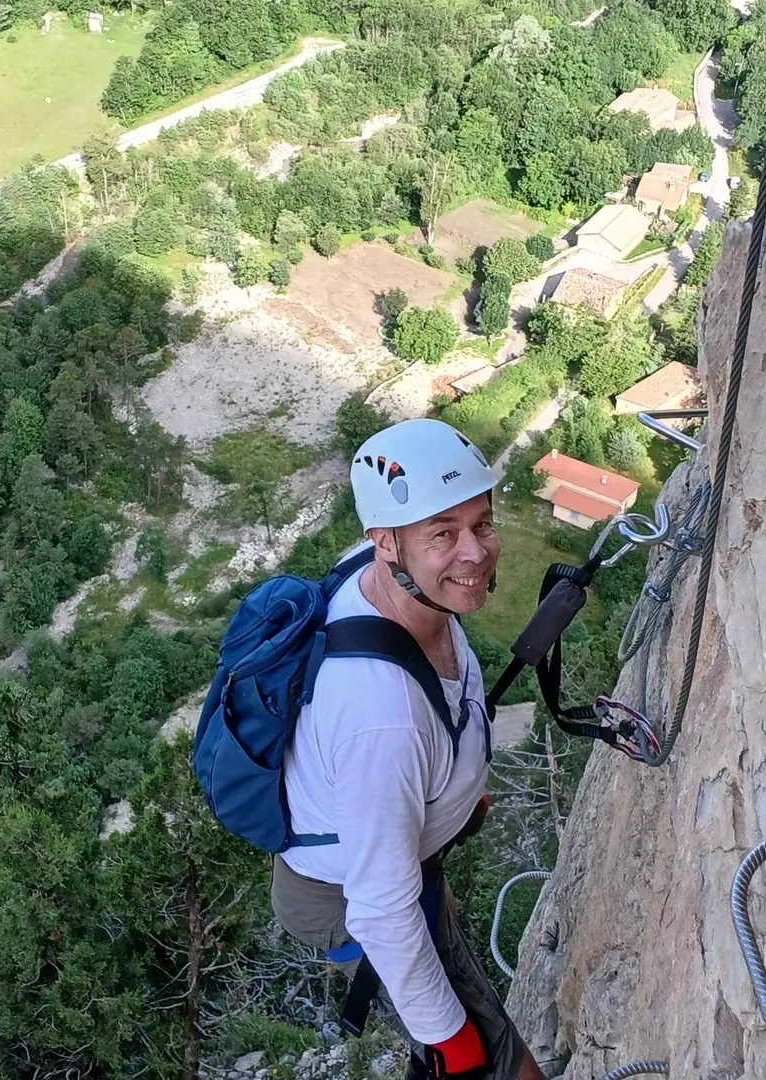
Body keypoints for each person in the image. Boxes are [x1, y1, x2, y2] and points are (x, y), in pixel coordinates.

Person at [270, 419, 544, 1080]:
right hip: (349, 899)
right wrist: (449, 1038)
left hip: (379, 862)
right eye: (442, 533)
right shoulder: (379, 718)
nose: (475, 553)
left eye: (482, 523)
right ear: (386, 542)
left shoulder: (380, 579)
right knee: (500, 1065)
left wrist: (454, 802)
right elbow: (384, 911)